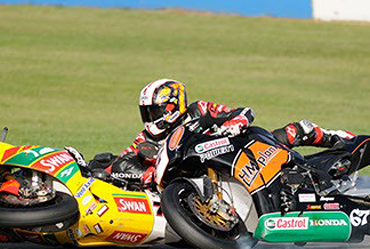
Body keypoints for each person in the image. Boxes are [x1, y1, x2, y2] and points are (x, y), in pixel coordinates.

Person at [111, 78, 356, 189]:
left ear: (172, 106)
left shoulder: (200, 110)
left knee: (297, 130)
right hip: (210, 178)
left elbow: (244, 111)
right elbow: (121, 162)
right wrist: (145, 174)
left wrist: (235, 123)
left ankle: (340, 141)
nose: (150, 119)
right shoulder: (146, 139)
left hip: (242, 149)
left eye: (154, 111)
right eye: (147, 113)